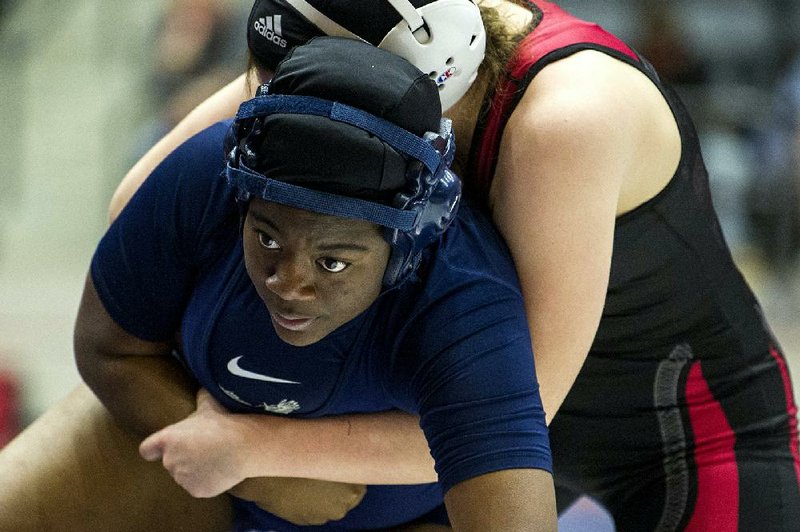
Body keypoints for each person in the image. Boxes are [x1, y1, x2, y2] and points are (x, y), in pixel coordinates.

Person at [2, 0, 798, 530]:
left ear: (421, 81)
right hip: (437, 419)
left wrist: (253, 454)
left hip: (672, 430)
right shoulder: (411, 35)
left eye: (323, 105)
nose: (301, 125)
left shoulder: (565, 121)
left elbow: (520, 409)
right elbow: (139, 205)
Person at [77, 36, 556, 531]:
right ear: (240, 199)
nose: (288, 284)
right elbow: (108, 349)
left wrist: (250, 454)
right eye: (266, 237)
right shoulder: (205, 177)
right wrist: (253, 473)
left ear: (403, 253)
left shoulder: (464, 304)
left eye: (332, 263)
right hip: (194, 473)